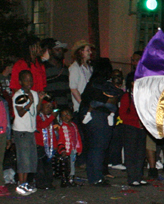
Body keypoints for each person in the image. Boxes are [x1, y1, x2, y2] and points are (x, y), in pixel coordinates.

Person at [78, 57, 122, 186]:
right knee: (99, 147)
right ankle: (97, 177)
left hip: (87, 114)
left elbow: (84, 98)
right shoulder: (102, 84)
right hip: (99, 117)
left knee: (92, 146)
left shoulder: (91, 82)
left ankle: (93, 176)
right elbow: (110, 99)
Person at [13, 69, 40, 195]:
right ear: (20, 82)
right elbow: (20, 112)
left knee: (30, 158)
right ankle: (21, 184)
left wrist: (38, 99)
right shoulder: (18, 95)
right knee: (23, 158)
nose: (29, 82)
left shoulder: (33, 93)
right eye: (26, 80)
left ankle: (26, 183)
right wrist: (29, 103)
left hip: (30, 129)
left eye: (31, 80)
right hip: (21, 129)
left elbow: (36, 111)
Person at [118, 73, 147, 186]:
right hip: (130, 127)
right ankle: (132, 177)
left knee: (141, 153)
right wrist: (137, 120)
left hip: (141, 128)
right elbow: (123, 115)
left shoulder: (143, 96)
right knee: (131, 152)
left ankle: (139, 176)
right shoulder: (126, 97)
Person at [55, 108, 82, 186]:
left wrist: (79, 148)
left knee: (72, 164)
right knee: (66, 166)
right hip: (66, 150)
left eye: (68, 114)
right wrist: (62, 149)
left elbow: (78, 137)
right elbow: (60, 140)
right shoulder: (61, 127)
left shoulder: (74, 125)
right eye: (63, 115)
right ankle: (65, 180)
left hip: (73, 149)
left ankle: (71, 179)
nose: (66, 117)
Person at [41, 38, 70, 110]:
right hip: (50, 107)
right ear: (50, 51)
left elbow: (67, 88)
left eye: (61, 49)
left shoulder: (64, 68)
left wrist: (70, 105)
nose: (60, 52)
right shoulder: (43, 67)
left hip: (64, 106)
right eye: (57, 49)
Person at [69, 40, 94, 112]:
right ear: (81, 52)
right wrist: (82, 104)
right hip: (80, 108)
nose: (90, 52)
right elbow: (73, 88)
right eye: (88, 50)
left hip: (89, 105)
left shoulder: (89, 67)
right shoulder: (75, 68)